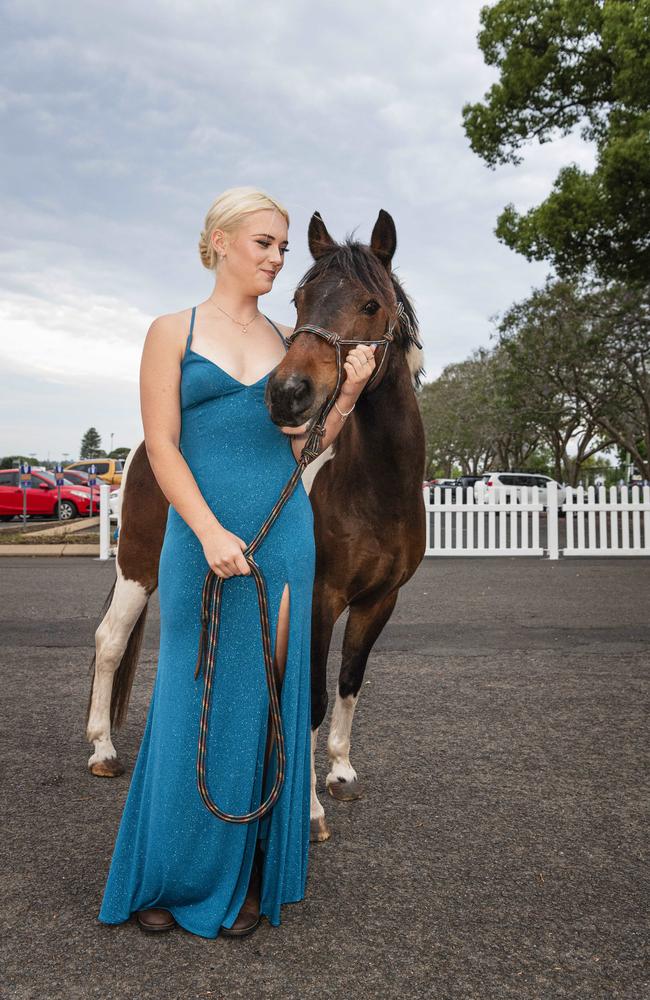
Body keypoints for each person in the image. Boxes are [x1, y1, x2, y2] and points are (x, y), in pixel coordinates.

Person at [97, 186, 377, 939]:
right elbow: (161, 445)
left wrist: (345, 397)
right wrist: (208, 531)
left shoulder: (289, 338)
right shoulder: (171, 331)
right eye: (265, 243)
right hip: (202, 535)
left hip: (282, 534)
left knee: (268, 702)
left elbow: (302, 449)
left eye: (283, 247)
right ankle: (170, 871)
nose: (277, 258)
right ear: (219, 241)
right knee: (191, 695)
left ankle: (252, 877)